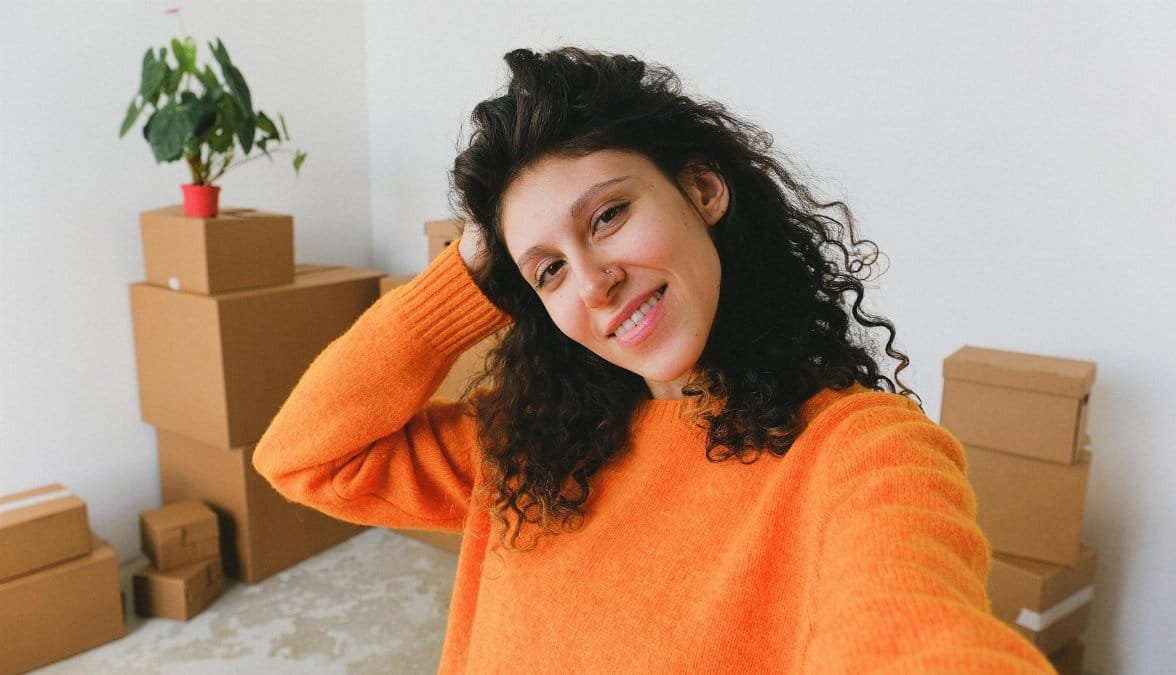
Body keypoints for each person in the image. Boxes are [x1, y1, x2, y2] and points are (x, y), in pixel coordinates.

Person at [253, 47, 1055, 673]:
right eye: (549, 269)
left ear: (703, 190)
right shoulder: (525, 446)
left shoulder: (860, 452)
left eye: (607, 215)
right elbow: (305, 457)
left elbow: (915, 631)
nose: (596, 283)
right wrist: (467, 274)